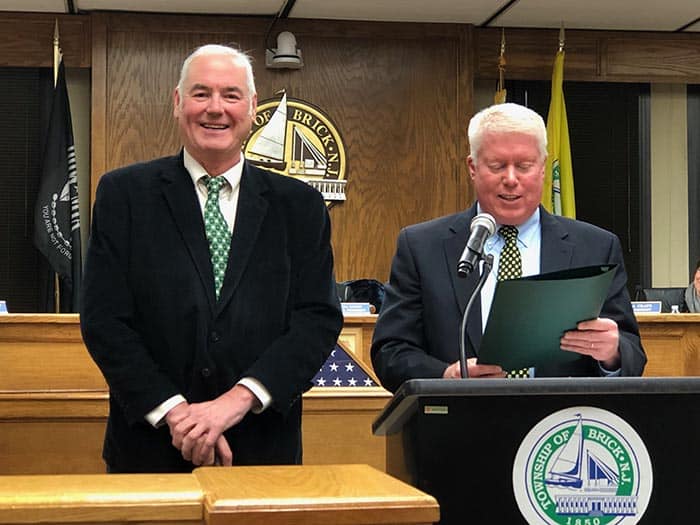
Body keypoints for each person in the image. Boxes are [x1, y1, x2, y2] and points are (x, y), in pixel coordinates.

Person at [80, 44, 343, 472]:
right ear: (177, 102)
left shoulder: (300, 206)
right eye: (201, 94)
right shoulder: (124, 195)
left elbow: (316, 319)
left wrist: (235, 402)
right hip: (150, 450)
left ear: (253, 107)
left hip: (261, 450)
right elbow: (104, 320)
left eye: (231, 95)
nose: (215, 109)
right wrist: (176, 414)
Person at [371, 102, 646, 392]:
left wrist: (612, 354)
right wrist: (445, 376)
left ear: (542, 168)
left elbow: (632, 353)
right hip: (458, 425)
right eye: (498, 166)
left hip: (558, 426)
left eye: (524, 166)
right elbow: (390, 352)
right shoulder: (421, 247)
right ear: (473, 167)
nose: (511, 179)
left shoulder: (595, 247)